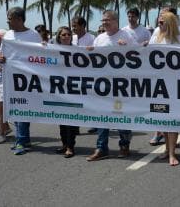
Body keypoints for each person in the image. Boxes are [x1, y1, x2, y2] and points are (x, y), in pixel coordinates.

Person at [86, 10, 135, 162]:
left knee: (121, 116)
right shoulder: (99, 38)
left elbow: (139, 56)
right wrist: (89, 51)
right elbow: (92, 57)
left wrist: (127, 47)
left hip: (121, 85)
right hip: (102, 85)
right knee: (102, 116)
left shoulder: (126, 36)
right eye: (103, 20)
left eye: (107, 20)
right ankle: (101, 148)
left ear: (115, 21)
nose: (104, 22)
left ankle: (124, 145)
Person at [0, 7, 43, 155]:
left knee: (22, 109)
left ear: (18, 19)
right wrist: (1, 58)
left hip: (27, 78)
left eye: (9, 18)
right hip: (10, 79)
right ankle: (25, 140)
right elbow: (2, 54)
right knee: (15, 109)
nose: (7, 22)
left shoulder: (33, 35)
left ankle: (21, 141)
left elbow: (40, 56)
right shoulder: (8, 35)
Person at [148, 12, 180, 166]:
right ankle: (166, 149)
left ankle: (172, 153)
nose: (159, 24)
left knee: (172, 119)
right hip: (158, 85)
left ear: (170, 23)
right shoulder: (157, 35)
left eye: (162, 22)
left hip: (175, 86)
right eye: (159, 22)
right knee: (163, 118)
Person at [54, 26, 79, 158]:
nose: (66, 36)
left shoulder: (77, 50)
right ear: (59, 37)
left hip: (73, 89)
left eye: (68, 34)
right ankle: (64, 144)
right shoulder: (53, 50)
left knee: (70, 120)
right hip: (59, 89)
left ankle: (70, 146)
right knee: (62, 120)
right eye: (63, 35)